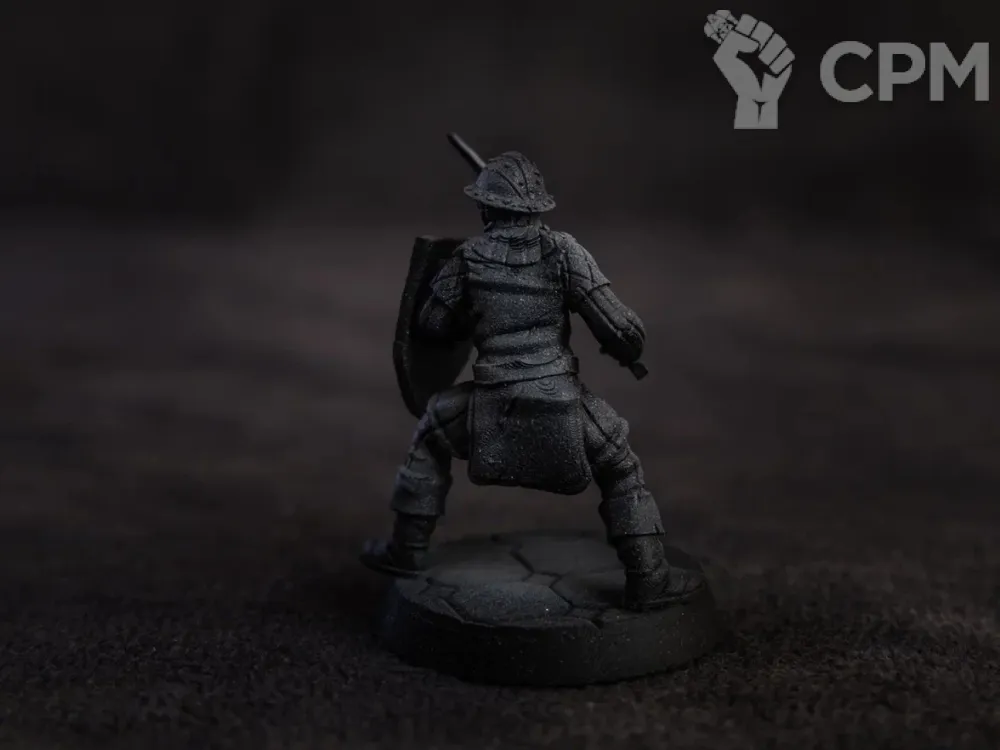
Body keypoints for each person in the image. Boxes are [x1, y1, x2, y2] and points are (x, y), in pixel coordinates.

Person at [361, 151, 704, 611]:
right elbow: (623, 330)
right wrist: (625, 350)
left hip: (489, 403)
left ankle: (406, 550)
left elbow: (431, 325)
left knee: (430, 433)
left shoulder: (467, 257)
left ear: (485, 208)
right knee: (621, 466)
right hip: (560, 400)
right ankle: (648, 578)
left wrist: (471, 309)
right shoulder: (565, 251)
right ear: (537, 206)